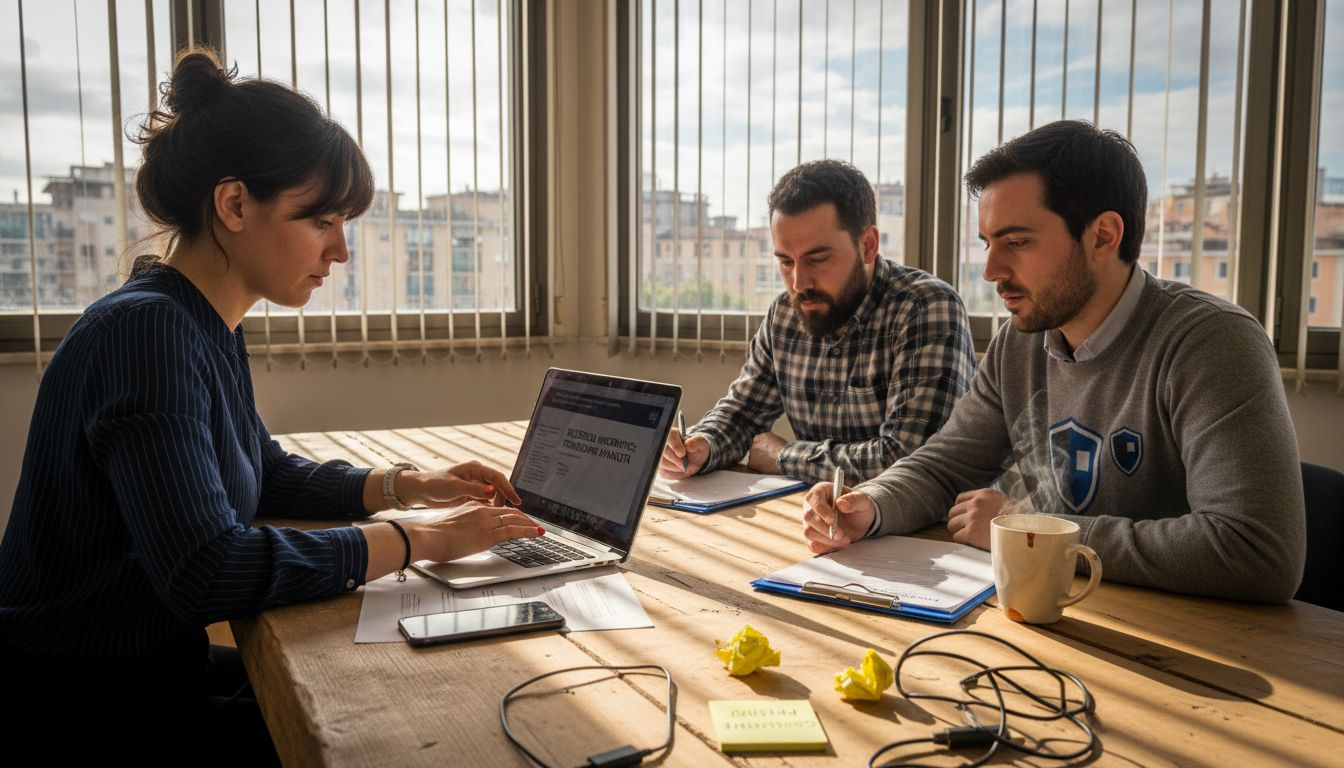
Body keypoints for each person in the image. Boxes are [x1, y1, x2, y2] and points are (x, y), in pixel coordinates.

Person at [0, 49, 541, 759]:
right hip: (76, 708)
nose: (341, 252)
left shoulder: (195, 321)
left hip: (139, 674)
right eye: (321, 221)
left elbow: (262, 468)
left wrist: (405, 486)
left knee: (385, 686)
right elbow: (205, 570)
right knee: (411, 734)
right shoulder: (147, 332)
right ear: (233, 205)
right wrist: (425, 539)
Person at [802, 120, 1305, 603]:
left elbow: (1256, 551)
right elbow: (944, 466)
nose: (992, 271)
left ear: (1104, 236)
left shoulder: (1212, 343)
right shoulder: (1018, 342)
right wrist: (870, 506)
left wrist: (1033, 530)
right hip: (1055, 614)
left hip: (1193, 646)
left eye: (1017, 243)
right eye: (988, 244)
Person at [659, 160, 975, 485]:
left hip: (927, 530)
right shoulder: (786, 313)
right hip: (821, 519)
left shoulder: (926, 308)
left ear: (867, 246)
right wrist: (703, 444)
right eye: (785, 261)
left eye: (818, 259)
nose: (798, 282)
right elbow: (742, 415)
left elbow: (908, 462)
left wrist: (784, 457)